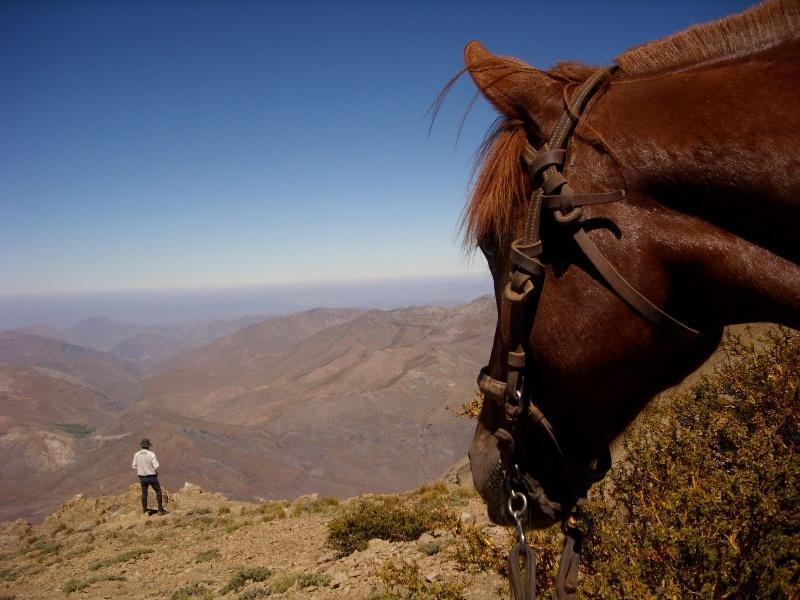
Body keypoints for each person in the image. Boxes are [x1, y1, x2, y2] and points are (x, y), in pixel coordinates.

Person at [132, 438, 167, 515]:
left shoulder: (137, 454)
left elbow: (134, 466)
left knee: (144, 493)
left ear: (141, 446)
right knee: (158, 491)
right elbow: (156, 466)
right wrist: (151, 469)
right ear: (148, 446)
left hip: (142, 477)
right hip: (152, 476)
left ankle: (145, 511)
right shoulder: (151, 454)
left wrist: (141, 468)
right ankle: (160, 510)